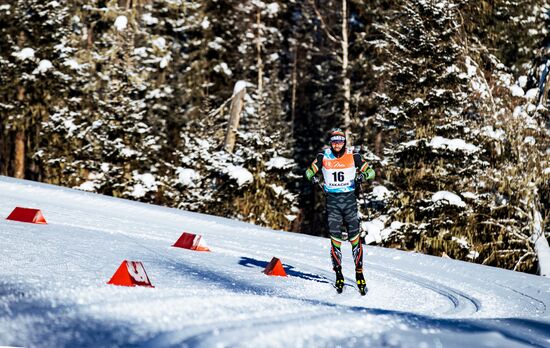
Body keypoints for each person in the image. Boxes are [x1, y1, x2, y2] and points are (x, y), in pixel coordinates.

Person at [305, 128, 375, 294]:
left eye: (340, 141)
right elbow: (308, 171)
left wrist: (363, 176)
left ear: (344, 142)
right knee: (335, 239)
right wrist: (313, 178)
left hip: (349, 201)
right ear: (331, 142)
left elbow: (371, 171)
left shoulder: (353, 156)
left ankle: (359, 274)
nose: (337, 144)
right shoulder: (323, 156)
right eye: (334, 141)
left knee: (354, 239)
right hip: (333, 202)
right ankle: (338, 274)